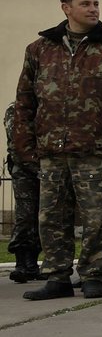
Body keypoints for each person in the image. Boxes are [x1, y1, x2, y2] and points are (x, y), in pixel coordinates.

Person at [14, 0, 102, 300]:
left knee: (95, 217)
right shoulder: (40, 50)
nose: (93, 9)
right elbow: (25, 100)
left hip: (95, 150)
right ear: (66, 8)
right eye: (85, 3)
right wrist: (25, 146)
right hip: (51, 149)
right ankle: (57, 277)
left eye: (96, 3)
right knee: (51, 218)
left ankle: (93, 275)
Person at [4, 102, 41, 283]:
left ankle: (32, 264)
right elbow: (17, 143)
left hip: (46, 169)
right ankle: (21, 263)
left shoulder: (47, 106)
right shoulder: (15, 109)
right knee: (25, 216)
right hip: (24, 172)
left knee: (44, 218)